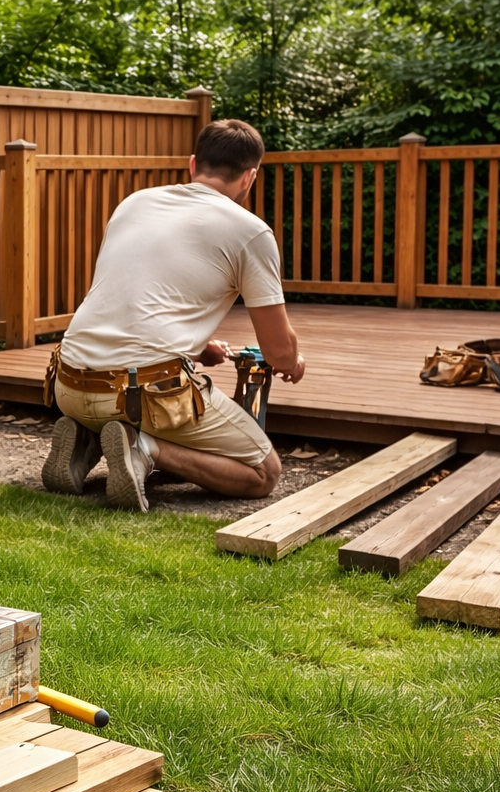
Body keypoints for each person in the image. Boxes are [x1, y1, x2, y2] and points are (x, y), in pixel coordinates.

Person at [40, 118, 304, 511]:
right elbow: (279, 352)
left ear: (193, 163)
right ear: (250, 177)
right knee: (263, 472)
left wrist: (197, 348)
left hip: (67, 384)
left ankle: (86, 437)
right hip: (139, 396)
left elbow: (132, 308)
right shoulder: (251, 233)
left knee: (120, 399)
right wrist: (293, 361)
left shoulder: (135, 202)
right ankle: (143, 448)